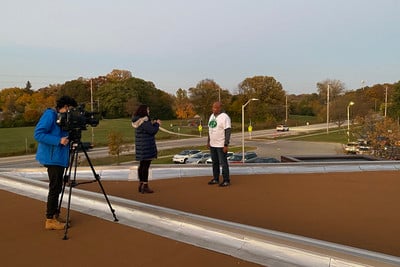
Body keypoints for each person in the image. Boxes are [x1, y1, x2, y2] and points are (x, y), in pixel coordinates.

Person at [34, 95, 77, 230]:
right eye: (69, 109)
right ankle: (49, 219)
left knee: (58, 187)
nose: (70, 112)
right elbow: (38, 134)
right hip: (52, 157)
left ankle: (55, 215)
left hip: (59, 158)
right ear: (64, 107)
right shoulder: (50, 115)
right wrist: (58, 141)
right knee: (54, 188)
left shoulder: (64, 119)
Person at [132, 104, 161, 193]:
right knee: (145, 166)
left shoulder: (138, 121)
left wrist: (152, 124)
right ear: (144, 111)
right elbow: (152, 131)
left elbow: (147, 129)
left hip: (141, 147)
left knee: (142, 165)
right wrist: (157, 124)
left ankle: (141, 184)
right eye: (148, 110)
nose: (149, 111)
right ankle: (145, 185)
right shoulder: (143, 121)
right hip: (147, 146)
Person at [207, 101, 231, 187]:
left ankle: (226, 180)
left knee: (223, 163)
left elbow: (228, 131)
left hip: (221, 145)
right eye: (213, 107)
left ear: (220, 108)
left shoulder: (225, 117)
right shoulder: (211, 116)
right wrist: (208, 141)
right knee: (215, 162)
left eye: (216, 107)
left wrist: (226, 144)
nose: (214, 109)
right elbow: (210, 129)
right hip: (213, 144)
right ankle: (216, 178)